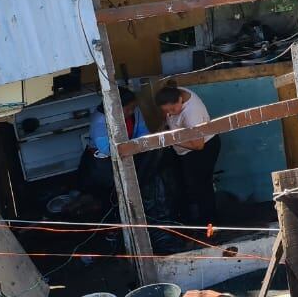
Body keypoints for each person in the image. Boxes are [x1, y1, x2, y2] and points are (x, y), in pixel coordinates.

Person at [155, 86, 221, 225]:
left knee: (201, 187)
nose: (170, 113)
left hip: (202, 149)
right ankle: (196, 222)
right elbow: (167, 113)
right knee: (189, 185)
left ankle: (209, 225)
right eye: (166, 111)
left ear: (180, 100)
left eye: (172, 109)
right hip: (185, 147)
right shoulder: (176, 93)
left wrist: (171, 140)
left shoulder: (192, 113)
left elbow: (198, 145)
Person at [78, 86, 149, 204]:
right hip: (103, 161)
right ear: (116, 107)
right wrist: (135, 147)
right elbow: (107, 149)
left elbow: (143, 132)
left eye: (133, 107)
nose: (132, 111)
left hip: (129, 153)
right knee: (103, 194)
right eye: (128, 109)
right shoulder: (100, 120)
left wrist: (139, 145)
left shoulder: (135, 112)